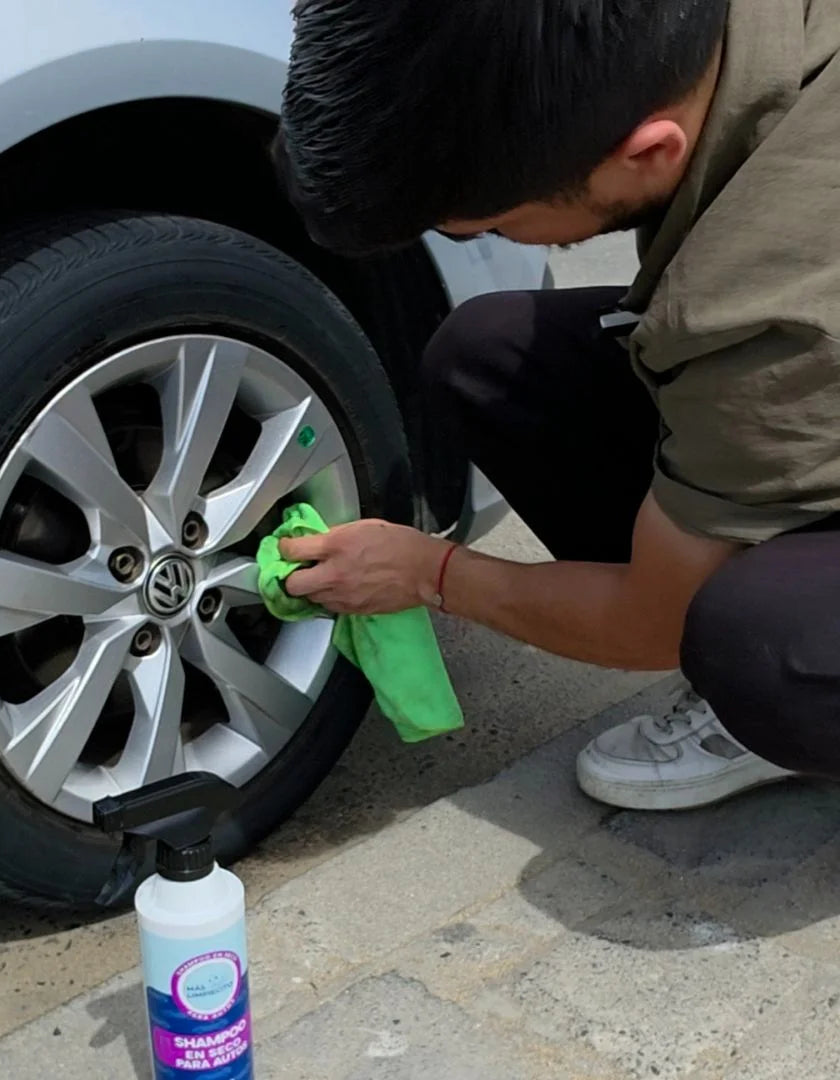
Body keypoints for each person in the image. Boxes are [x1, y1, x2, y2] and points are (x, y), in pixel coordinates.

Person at [271, 0, 840, 811]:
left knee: (762, 643)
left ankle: (789, 708)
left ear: (645, 153)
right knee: (492, 359)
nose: (491, 245)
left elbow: (651, 624)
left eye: (490, 227)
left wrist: (433, 573)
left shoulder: (766, 307)